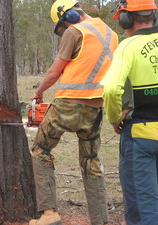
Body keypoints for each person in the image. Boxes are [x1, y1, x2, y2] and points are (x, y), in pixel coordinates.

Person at [29, 0, 118, 224]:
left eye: (63, 25)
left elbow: (54, 71)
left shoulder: (76, 31)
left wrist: (39, 93)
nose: (64, 30)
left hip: (68, 104)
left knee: (41, 150)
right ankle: (100, 220)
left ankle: (49, 214)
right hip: (95, 108)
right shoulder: (111, 34)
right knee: (91, 160)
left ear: (68, 16)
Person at [101, 0, 158, 224]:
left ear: (126, 18)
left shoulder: (128, 46)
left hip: (140, 136)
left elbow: (112, 88)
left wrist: (115, 118)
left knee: (144, 209)